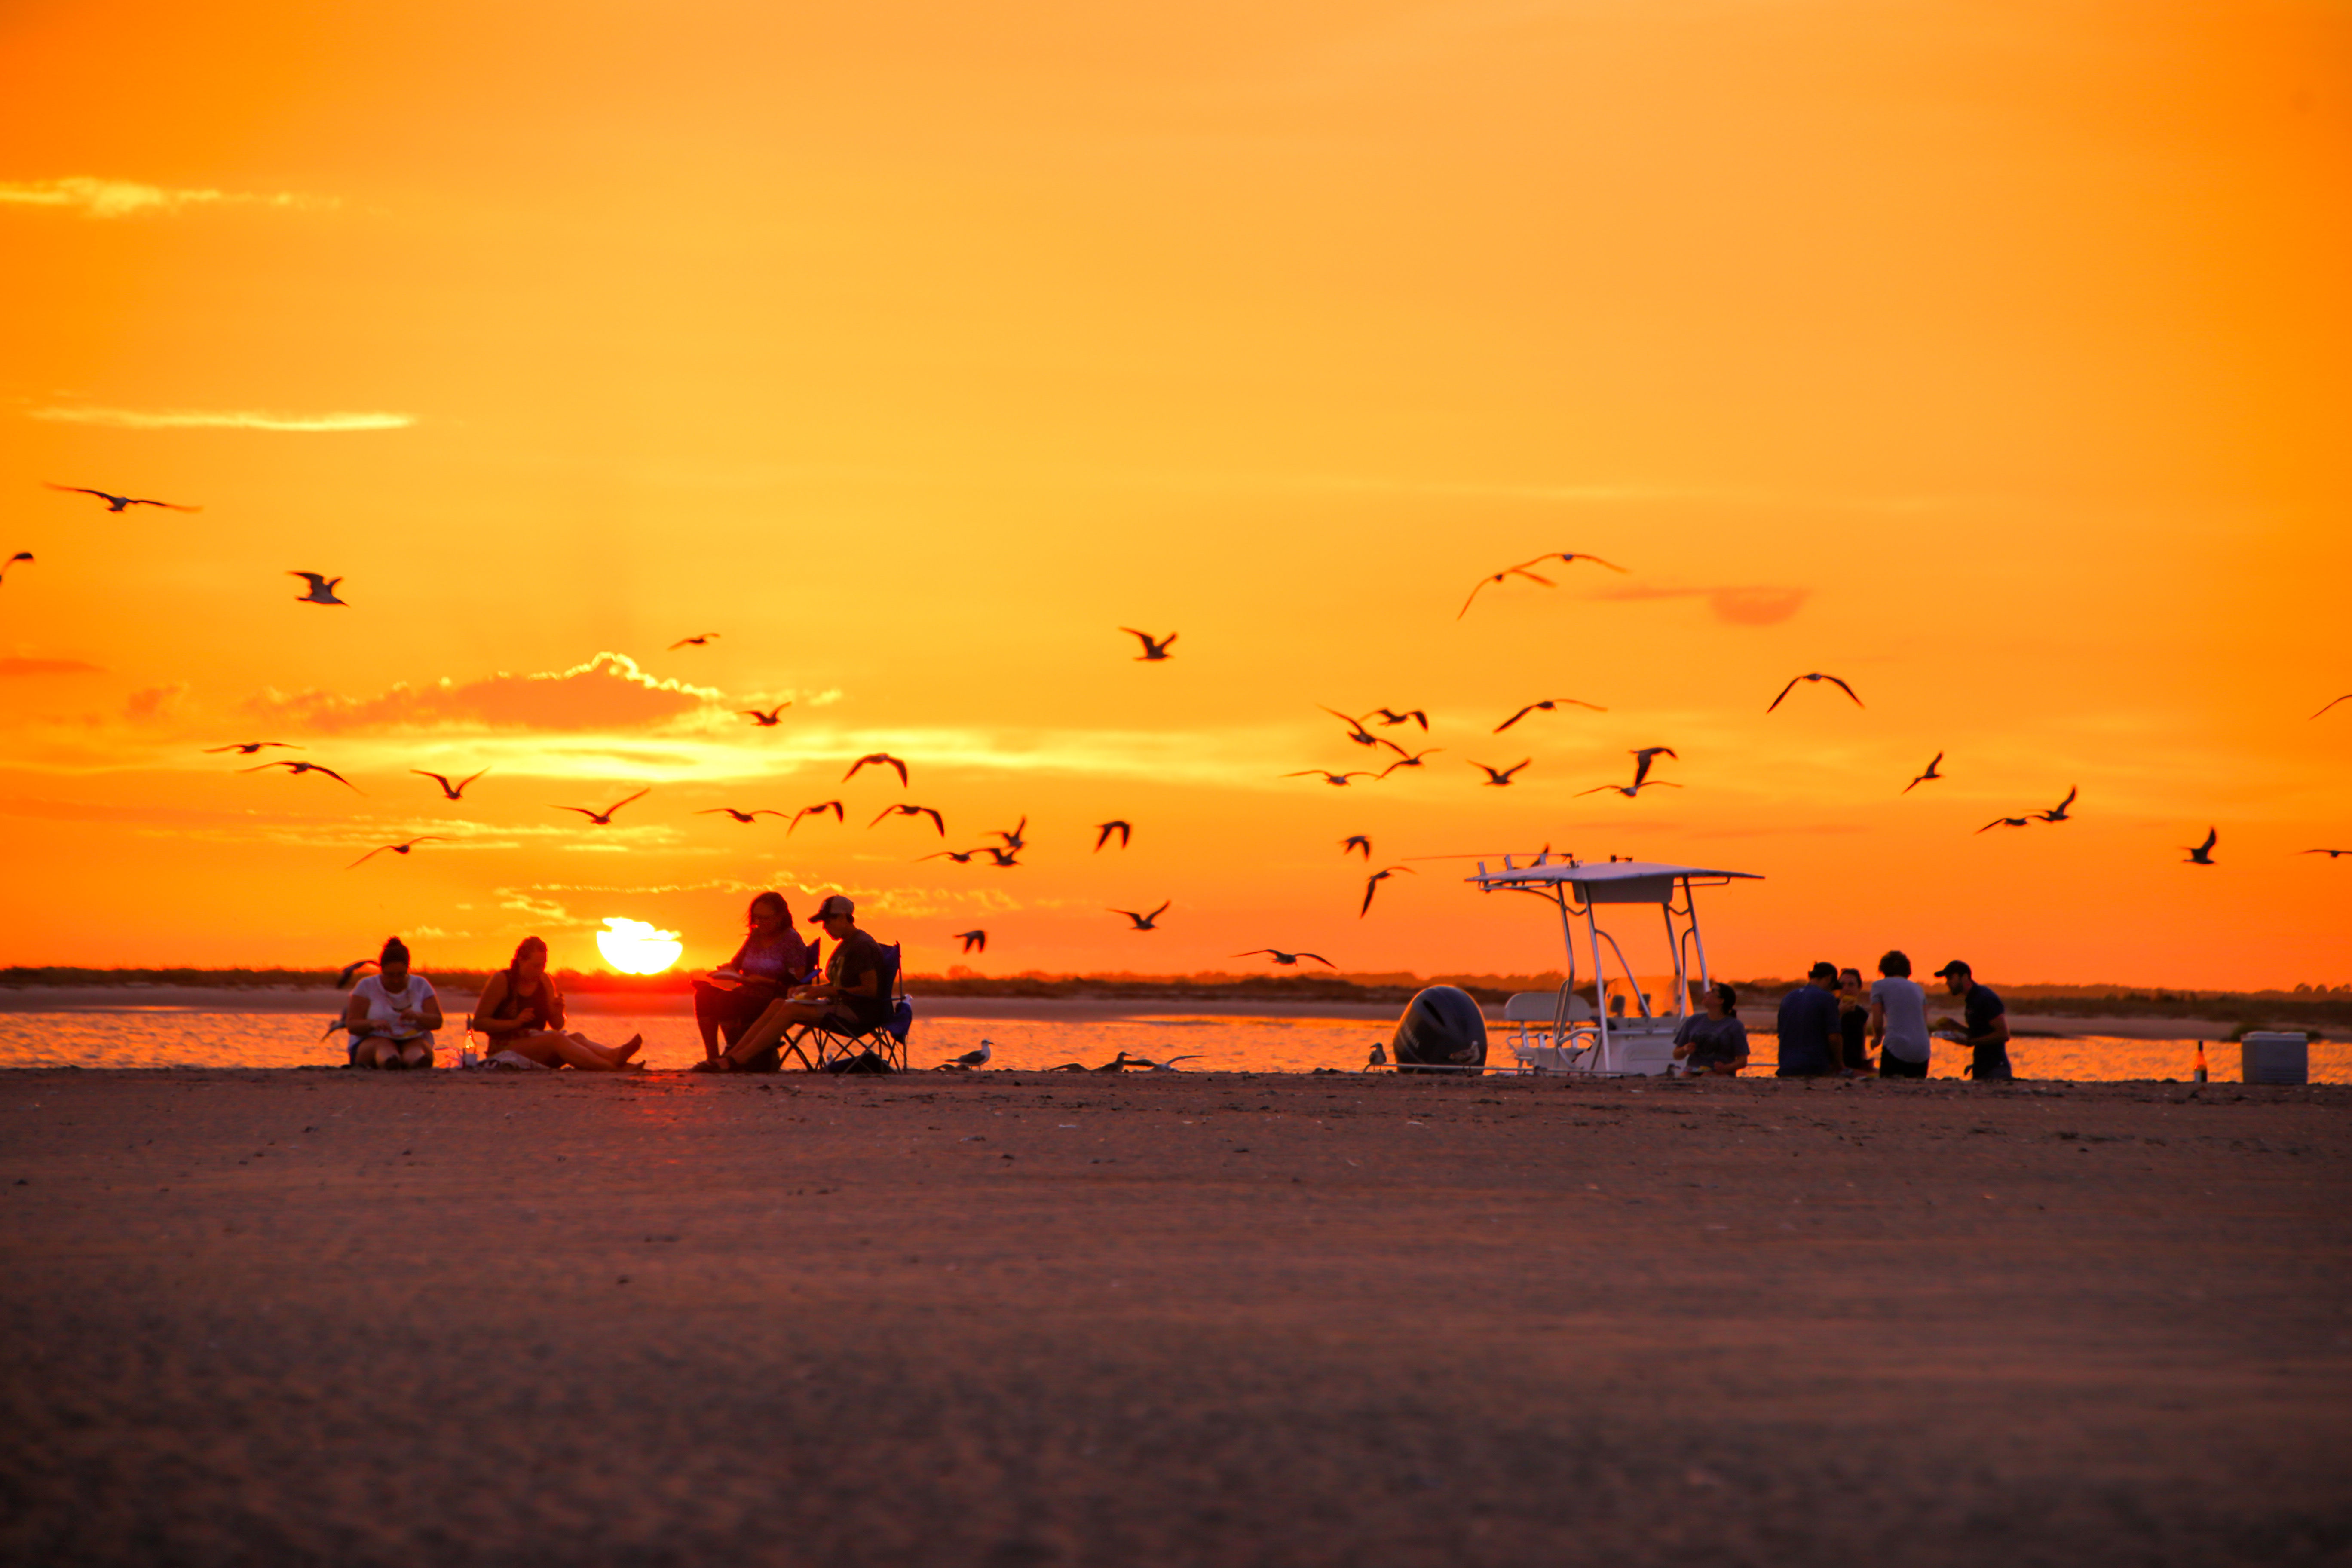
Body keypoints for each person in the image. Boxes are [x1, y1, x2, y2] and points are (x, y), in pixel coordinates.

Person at [696, 895, 893, 1072]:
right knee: (779, 1004)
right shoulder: (847, 944)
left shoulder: (861, 946)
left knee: (788, 1010)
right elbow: (841, 984)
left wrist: (823, 991)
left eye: (828, 921)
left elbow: (870, 991)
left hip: (858, 1014)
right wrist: (811, 989)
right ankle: (729, 1057)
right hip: (840, 1005)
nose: (825, 927)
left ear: (844, 918)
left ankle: (737, 1060)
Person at [469, 936, 643, 1070]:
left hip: (537, 1045)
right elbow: (479, 1023)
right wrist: (514, 1023)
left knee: (577, 1038)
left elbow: (557, 1025)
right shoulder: (502, 981)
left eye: (543, 966)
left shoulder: (544, 981)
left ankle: (614, 1055)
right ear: (521, 960)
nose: (539, 971)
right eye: (535, 966)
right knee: (557, 1039)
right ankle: (614, 1068)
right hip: (505, 1050)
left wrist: (559, 1011)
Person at [691, 892, 814, 1064]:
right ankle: (713, 1056)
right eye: (757, 917)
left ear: (780, 917)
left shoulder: (791, 940)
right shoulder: (756, 936)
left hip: (772, 998)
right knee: (705, 994)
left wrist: (761, 981)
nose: (760, 922)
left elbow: (796, 982)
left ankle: (734, 1053)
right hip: (746, 992)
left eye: (765, 918)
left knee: (725, 1000)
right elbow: (736, 963)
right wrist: (727, 970)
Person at [343, 937, 443, 1069]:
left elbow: (437, 1021)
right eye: (390, 975)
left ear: (408, 969)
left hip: (413, 1039)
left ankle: (417, 1062)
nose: (396, 980)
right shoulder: (366, 986)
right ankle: (390, 1062)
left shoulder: (421, 985)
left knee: (415, 1048)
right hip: (373, 1041)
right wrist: (372, 1024)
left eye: (401, 975)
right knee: (384, 1046)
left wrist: (418, 1016)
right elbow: (352, 1025)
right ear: (381, 970)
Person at [1932, 959, 2011, 1081]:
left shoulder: (1985, 998)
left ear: (1964, 977)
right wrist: (1955, 1027)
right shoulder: (1972, 1000)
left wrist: (1971, 1042)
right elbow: (1979, 1033)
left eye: (1950, 978)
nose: (1947, 983)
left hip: (1996, 1069)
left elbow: (2003, 1035)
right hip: (1982, 1067)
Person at [1868, 949, 1932, 1078]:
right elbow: (1923, 1022)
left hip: (1897, 1049)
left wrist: (1877, 1039)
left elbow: (1878, 1022)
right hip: (1923, 1051)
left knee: (1888, 1086)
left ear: (1883, 969)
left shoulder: (1879, 986)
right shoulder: (1919, 989)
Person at [1775, 962, 1845, 1077]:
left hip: (1786, 1066)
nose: (1832, 991)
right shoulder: (1828, 998)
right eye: (1833, 987)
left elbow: (1781, 1034)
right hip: (1814, 1066)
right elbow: (1834, 1037)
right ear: (1829, 978)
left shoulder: (1788, 997)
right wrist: (1839, 1064)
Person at [1671, 982, 1750, 1075]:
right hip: (1693, 1070)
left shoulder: (1735, 1025)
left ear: (1721, 1001)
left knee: (1708, 1076)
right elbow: (1676, 1055)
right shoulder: (1693, 1021)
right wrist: (1685, 1049)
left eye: (1712, 991)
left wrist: (1724, 1068)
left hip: (1720, 1073)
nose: (1707, 993)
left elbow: (1743, 1061)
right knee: (1684, 1078)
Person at [1837, 967, 1872, 1073]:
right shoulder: (1830, 1008)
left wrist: (1866, 1062)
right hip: (1837, 1066)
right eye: (1842, 985)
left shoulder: (1862, 1014)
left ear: (1859, 988)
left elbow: (1862, 1047)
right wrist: (1840, 1013)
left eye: (1851, 985)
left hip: (1856, 1065)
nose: (1846, 989)